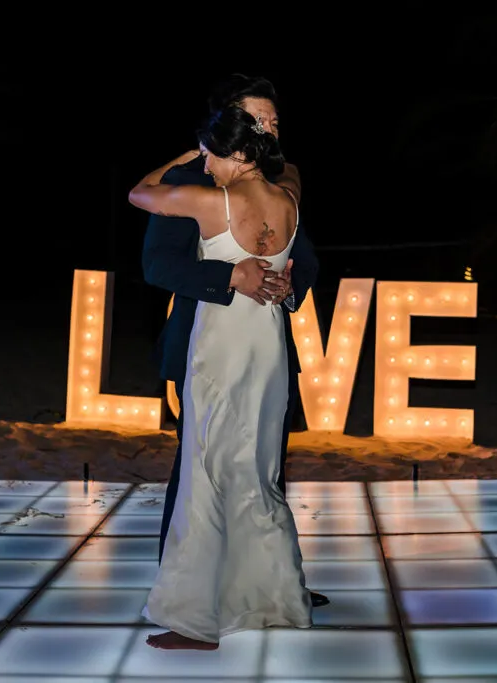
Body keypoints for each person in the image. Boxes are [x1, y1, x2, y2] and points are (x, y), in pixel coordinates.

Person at [140, 75, 329, 607]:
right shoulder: (192, 177)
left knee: (267, 463)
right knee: (199, 467)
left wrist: (292, 285)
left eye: (274, 120)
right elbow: (158, 265)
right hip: (205, 340)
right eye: (259, 119)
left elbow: (307, 258)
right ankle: (188, 591)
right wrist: (228, 280)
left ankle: (268, 583)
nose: (271, 128)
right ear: (230, 124)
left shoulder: (283, 185)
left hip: (266, 338)